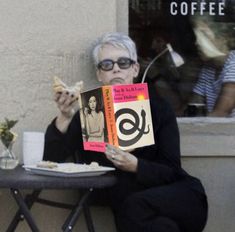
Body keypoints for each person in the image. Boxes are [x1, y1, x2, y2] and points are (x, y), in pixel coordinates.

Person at [43, 32, 208, 232]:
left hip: (176, 196)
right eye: (107, 65)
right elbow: (52, 159)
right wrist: (65, 117)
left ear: (135, 69)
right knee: (158, 224)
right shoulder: (90, 112)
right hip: (131, 205)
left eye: (123, 63)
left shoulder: (159, 109)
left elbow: (171, 170)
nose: (115, 70)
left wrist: (136, 165)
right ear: (99, 74)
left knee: (136, 209)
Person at [190, 18, 235, 117]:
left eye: (204, 36)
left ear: (222, 39)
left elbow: (220, 114)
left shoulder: (233, 63)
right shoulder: (208, 68)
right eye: (197, 37)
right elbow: (193, 107)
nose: (197, 43)